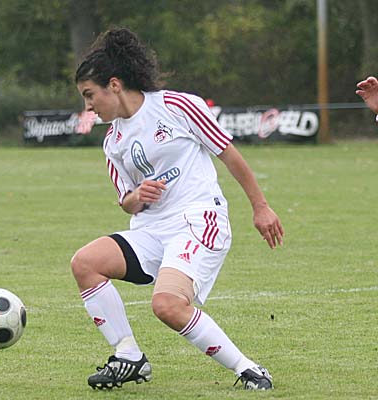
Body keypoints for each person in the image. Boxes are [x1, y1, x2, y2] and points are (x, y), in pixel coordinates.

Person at [71, 28, 284, 391]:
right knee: (84, 263)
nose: (88, 106)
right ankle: (128, 356)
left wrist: (260, 207)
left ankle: (249, 369)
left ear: (115, 85)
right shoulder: (113, 141)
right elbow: (126, 200)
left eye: (90, 95)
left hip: (198, 219)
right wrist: (138, 195)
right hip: (150, 230)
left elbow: (229, 155)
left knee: (167, 305)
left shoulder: (177, 106)